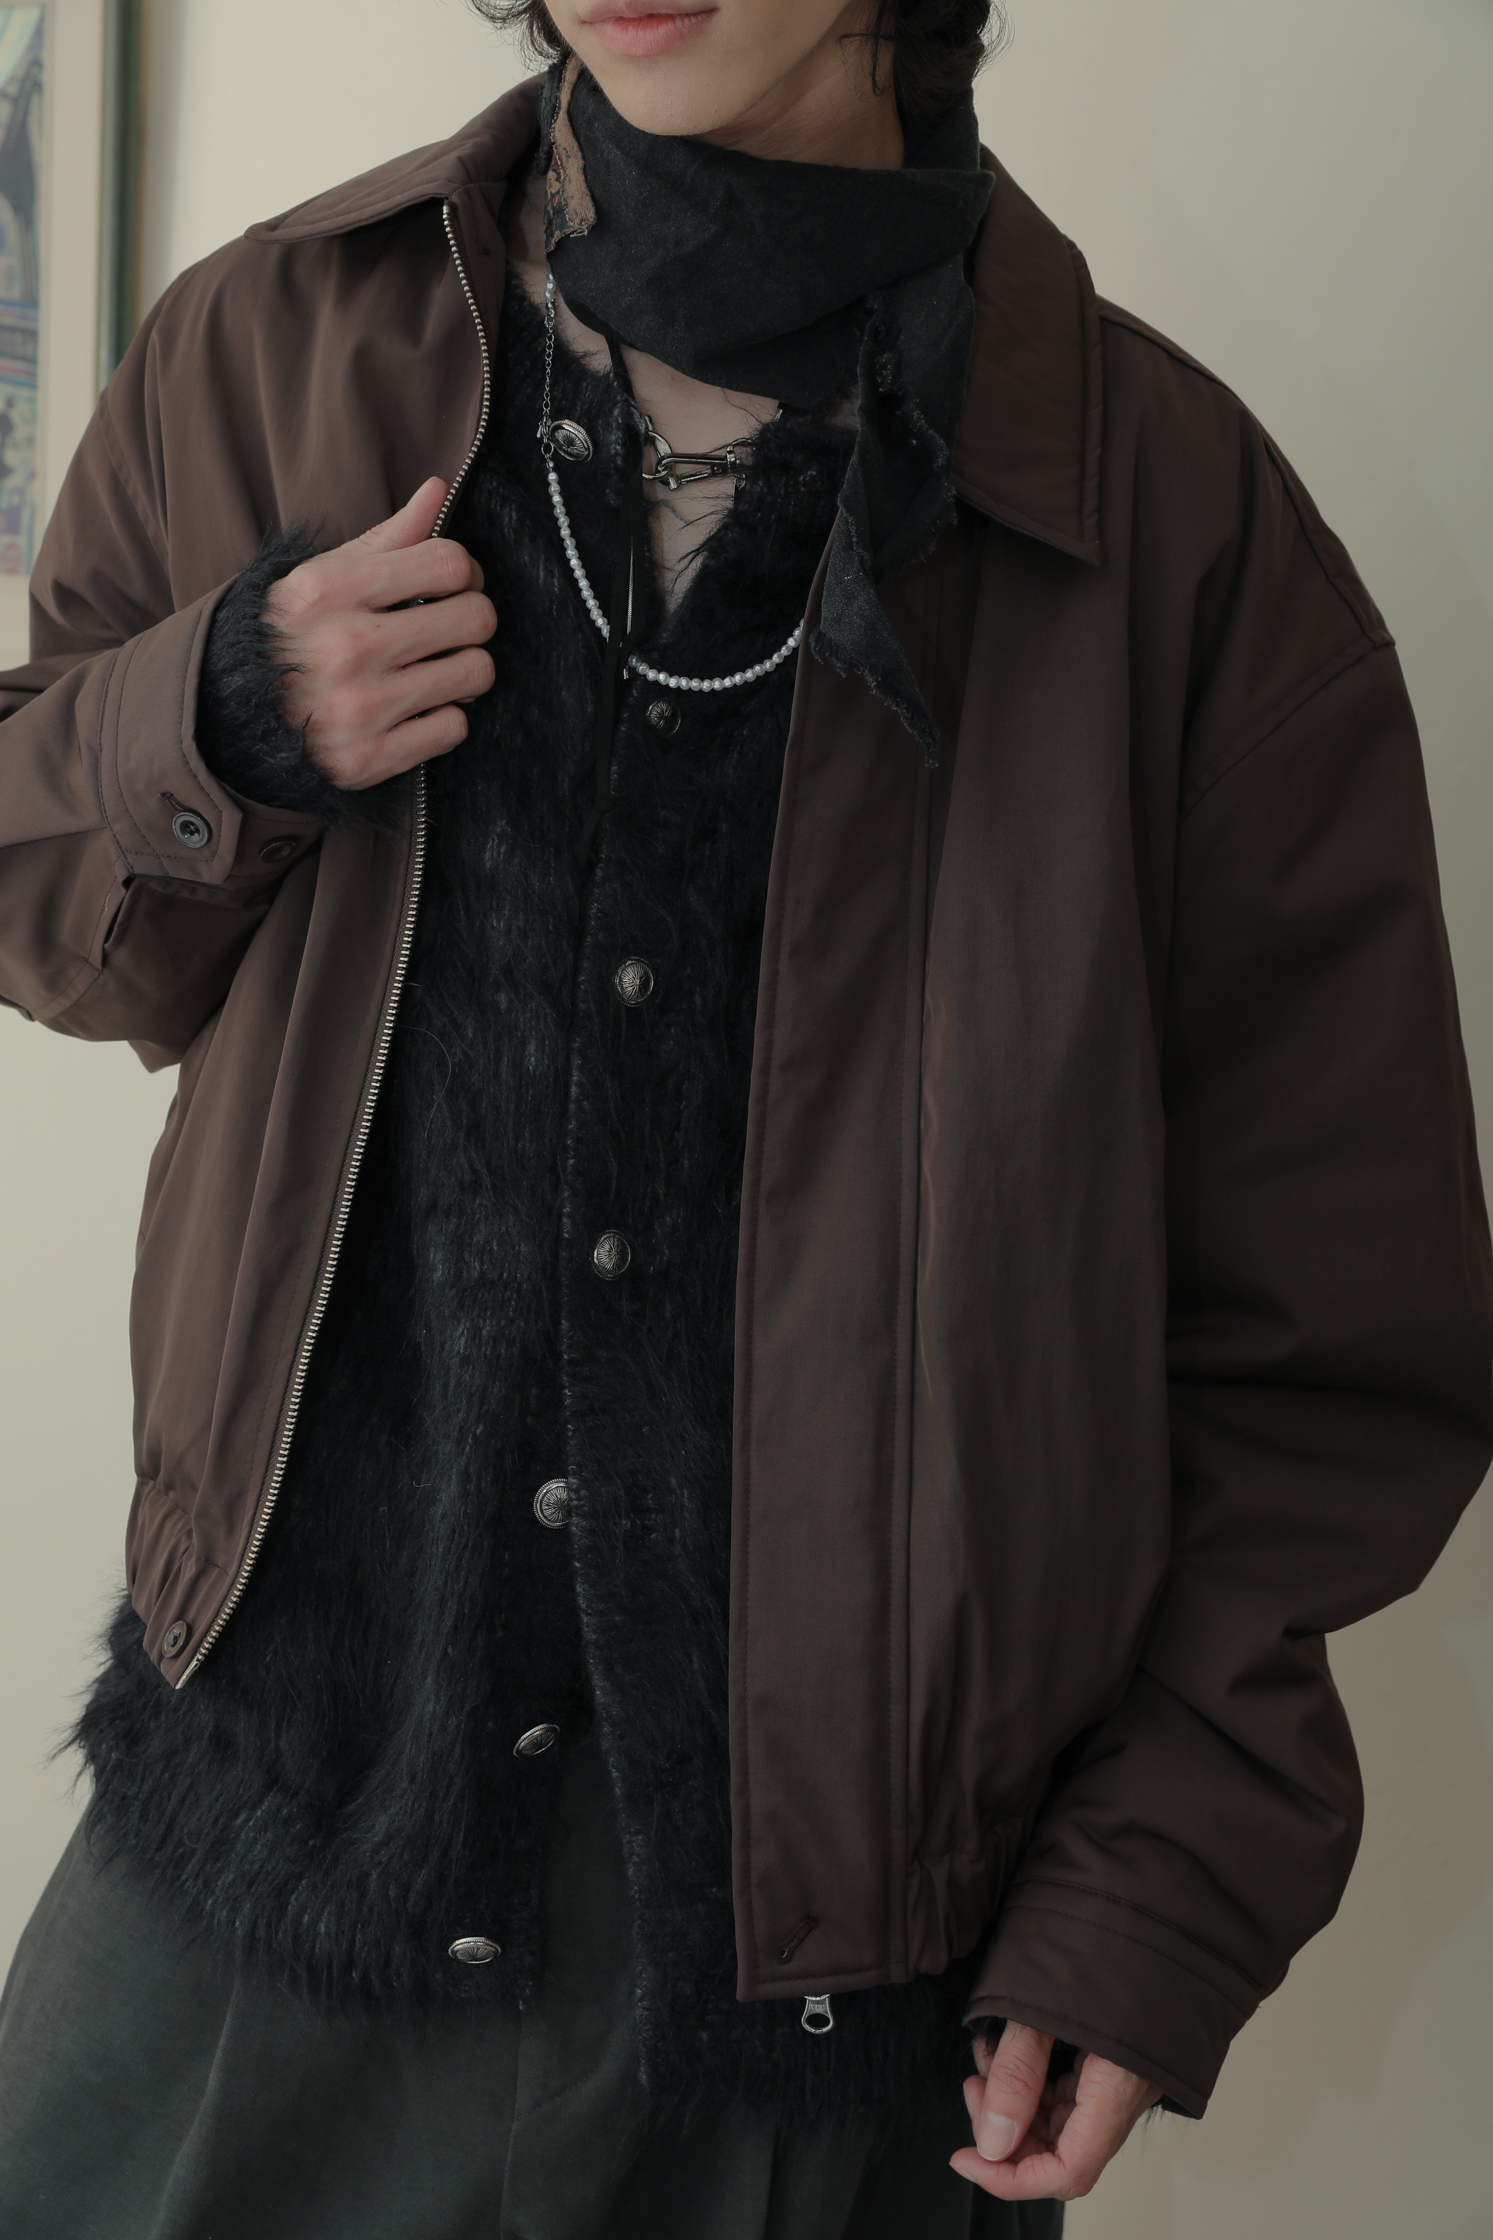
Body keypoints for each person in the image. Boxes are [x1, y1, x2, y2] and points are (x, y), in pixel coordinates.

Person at [0, 0, 1487, 2231]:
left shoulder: (1183, 538)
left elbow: (1328, 1358)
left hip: (822, 2003)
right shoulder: (272, 348)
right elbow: (52, 922)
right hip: (250, 1878)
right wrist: (211, 721)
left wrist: (1153, 1885)